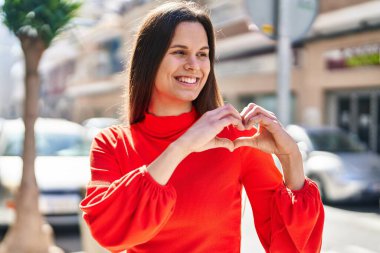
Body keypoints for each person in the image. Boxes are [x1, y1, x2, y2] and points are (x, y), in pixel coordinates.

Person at [80, 1, 324, 252]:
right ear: (149, 59)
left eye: (202, 54)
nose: (194, 65)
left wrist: (291, 158)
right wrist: (182, 146)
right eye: (179, 52)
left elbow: (291, 246)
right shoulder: (112, 143)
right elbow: (108, 233)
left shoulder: (235, 138)